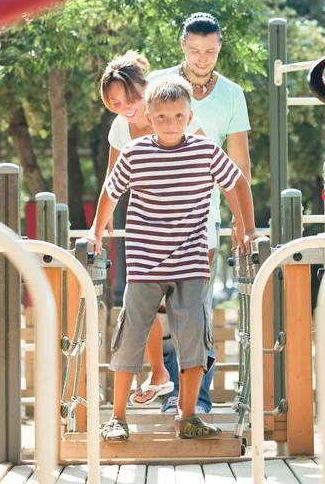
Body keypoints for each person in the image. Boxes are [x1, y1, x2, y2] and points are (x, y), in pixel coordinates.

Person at [86, 76, 258, 441]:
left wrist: (244, 227)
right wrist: (95, 232)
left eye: (178, 115)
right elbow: (110, 192)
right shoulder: (135, 153)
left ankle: (188, 414)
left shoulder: (205, 150)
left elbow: (237, 183)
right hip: (145, 262)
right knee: (130, 333)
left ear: (190, 115)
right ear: (148, 117)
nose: (170, 123)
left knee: (193, 336)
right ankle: (118, 416)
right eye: (162, 116)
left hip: (191, 262)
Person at [134, 12, 253, 413]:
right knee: (162, 311)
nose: (203, 58)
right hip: (155, 216)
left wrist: (243, 222)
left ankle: (197, 400)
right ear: (183, 45)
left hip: (203, 216)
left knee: (195, 306)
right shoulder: (161, 86)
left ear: (220, 46)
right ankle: (170, 393)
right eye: (195, 50)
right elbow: (134, 138)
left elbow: (239, 168)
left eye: (211, 51)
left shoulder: (232, 94)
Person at [97, 49, 219, 409]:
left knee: (189, 312)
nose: (126, 108)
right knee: (144, 307)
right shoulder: (123, 127)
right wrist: (98, 229)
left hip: (193, 224)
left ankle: (193, 401)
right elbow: (112, 180)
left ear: (145, 89)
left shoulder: (175, 117)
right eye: (117, 104)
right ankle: (159, 375)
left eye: (131, 99)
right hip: (150, 229)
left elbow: (209, 169)